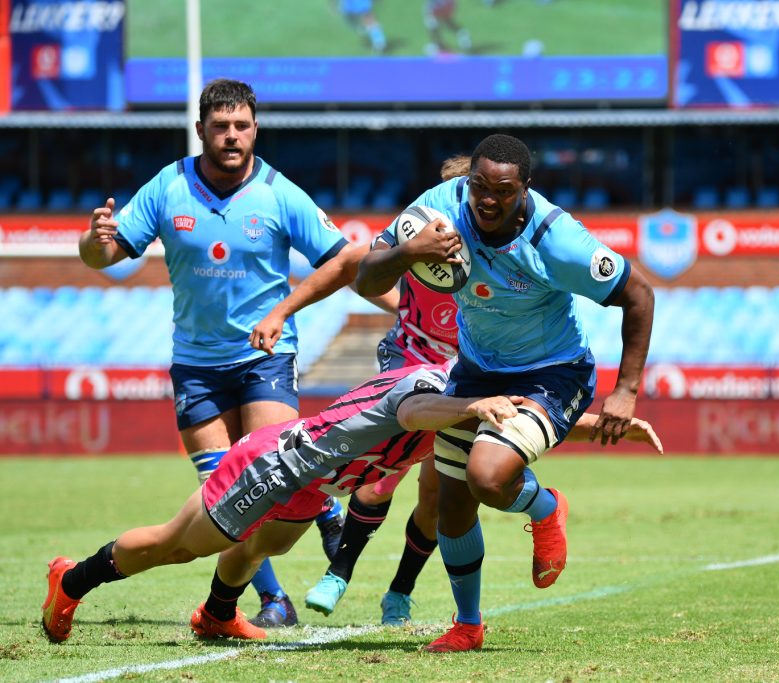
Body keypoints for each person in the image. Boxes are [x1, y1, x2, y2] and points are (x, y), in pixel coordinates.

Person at [77, 78, 396, 628]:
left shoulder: (278, 192)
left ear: (255, 130)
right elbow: (104, 256)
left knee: (274, 475)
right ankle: (272, 600)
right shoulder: (166, 187)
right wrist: (93, 239)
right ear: (201, 130)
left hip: (264, 358)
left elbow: (345, 261)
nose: (231, 136)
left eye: (241, 126)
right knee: (224, 494)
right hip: (197, 367)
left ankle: (321, 510)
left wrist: (404, 307)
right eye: (220, 127)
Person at [40, 362, 662, 643]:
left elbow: (527, 417)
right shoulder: (430, 384)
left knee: (265, 545)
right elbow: (414, 411)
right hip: (274, 465)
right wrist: (470, 406)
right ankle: (72, 580)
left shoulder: (470, 398)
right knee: (180, 545)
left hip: (314, 485)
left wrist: (604, 423)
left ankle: (218, 615)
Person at [355, 133, 655, 651]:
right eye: (479, 187)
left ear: (525, 190)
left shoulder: (558, 242)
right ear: (467, 180)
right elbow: (364, 278)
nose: (487, 200)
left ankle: (544, 507)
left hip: (553, 373)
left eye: (503, 191)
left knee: (486, 478)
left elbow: (639, 295)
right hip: (476, 368)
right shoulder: (437, 209)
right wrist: (409, 251)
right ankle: (468, 626)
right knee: (451, 504)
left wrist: (626, 390)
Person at [304, 156, 470, 627]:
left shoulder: (492, 256)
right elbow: (359, 267)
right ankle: (339, 571)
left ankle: (400, 592)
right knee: (382, 474)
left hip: (463, 376)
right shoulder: (412, 234)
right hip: (408, 361)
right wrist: (401, 302)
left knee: (436, 496)